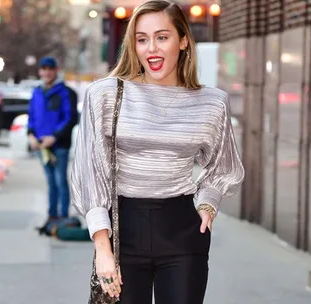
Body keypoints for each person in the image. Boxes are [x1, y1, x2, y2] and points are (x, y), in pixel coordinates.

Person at [70, 1, 244, 303]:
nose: (152, 48)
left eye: (162, 37)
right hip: (124, 229)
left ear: (183, 40)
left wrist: (208, 204)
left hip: (182, 229)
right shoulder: (106, 94)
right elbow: (90, 170)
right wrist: (102, 246)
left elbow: (223, 165)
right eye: (142, 39)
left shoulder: (212, 103)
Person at [28, 56, 78, 226]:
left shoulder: (66, 92)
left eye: (50, 68)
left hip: (59, 146)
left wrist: (55, 137)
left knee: (60, 181)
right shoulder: (36, 92)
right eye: (44, 69)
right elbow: (32, 116)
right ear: (40, 71)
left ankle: (63, 216)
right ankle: (52, 215)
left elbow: (70, 118)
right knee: (50, 182)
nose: (47, 72)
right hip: (41, 146)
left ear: (56, 70)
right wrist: (31, 135)